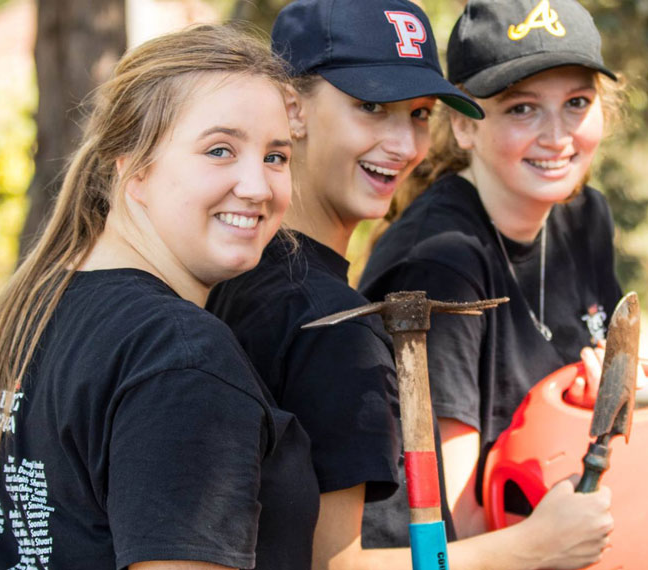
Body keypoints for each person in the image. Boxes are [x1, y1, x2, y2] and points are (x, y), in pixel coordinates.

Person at [208, 1, 612, 569]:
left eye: (420, 114)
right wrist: (534, 548)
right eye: (370, 106)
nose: (404, 145)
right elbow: (340, 565)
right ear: (292, 109)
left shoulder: (231, 266)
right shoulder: (331, 324)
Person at [0, 25, 320, 570]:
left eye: (275, 157)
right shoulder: (180, 356)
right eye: (220, 150)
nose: (258, 186)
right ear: (134, 171)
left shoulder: (39, 308)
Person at [360, 0, 626, 544]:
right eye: (522, 109)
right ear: (462, 125)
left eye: (577, 102)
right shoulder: (440, 265)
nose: (556, 137)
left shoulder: (585, 217)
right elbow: (450, 518)